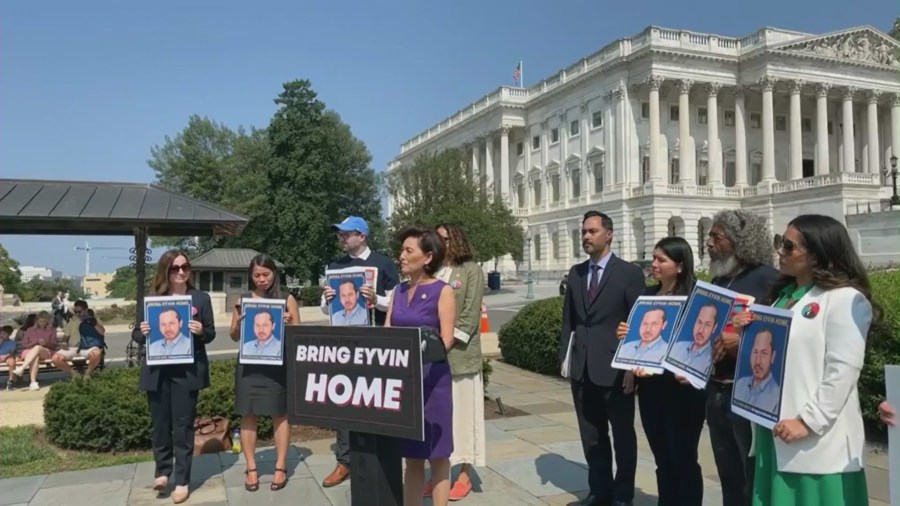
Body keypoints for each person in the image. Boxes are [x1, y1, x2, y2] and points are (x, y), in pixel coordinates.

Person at [732, 214, 874, 505]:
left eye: (788, 246)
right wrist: (746, 332)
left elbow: (842, 372)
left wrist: (807, 422)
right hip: (773, 432)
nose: (779, 252)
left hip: (813, 438)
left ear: (817, 255)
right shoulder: (781, 297)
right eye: (779, 243)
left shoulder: (845, 299)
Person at [559, 211, 645, 506]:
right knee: (592, 436)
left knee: (623, 437)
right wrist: (565, 360)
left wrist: (634, 367)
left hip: (616, 370)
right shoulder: (576, 273)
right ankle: (600, 490)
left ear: (609, 234)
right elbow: (568, 321)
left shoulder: (629, 273)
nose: (586, 236)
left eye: (592, 231)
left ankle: (623, 494)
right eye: (584, 231)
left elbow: (639, 323)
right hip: (582, 369)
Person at [615, 236, 706, 506]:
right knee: (662, 458)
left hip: (682, 391)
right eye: (653, 258)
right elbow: (639, 340)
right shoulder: (648, 296)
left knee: (684, 458)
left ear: (679, 266)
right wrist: (627, 337)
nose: (653, 264)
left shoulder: (694, 299)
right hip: (651, 390)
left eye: (660, 259)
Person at [704, 209, 779, 506]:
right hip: (716, 390)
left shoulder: (769, 280)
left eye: (716, 237)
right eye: (709, 236)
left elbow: (779, 336)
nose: (708, 243)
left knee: (752, 477)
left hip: (748, 394)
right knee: (728, 474)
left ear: (740, 241)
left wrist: (743, 343)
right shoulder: (720, 279)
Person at [319, 215, 399, 487]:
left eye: (346, 234)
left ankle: (379, 452)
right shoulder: (335, 266)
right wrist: (326, 299)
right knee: (342, 400)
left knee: (375, 397)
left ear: (361, 236)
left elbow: (397, 303)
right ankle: (344, 460)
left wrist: (376, 300)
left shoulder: (383, 263)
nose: (341, 238)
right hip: (343, 343)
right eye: (339, 234)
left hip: (375, 343)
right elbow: (324, 306)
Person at [132, 249, 216, 504]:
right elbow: (137, 334)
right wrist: (143, 331)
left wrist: (201, 330)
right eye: (175, 268)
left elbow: (211, 334)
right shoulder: (152, 299)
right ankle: (162, 471)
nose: (181, 272)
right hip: (157, 372)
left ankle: (182, 480)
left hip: (187, 373)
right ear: (165, 271)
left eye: (185, 267)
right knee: (160, 425)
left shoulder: (200, 298)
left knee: (182, 427)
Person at [387, 226, 456, 506]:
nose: (401, 256)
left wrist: (421, 350)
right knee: (412, 455)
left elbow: (447, 339)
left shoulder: (443, 291)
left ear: (428, 257)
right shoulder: (397, 291)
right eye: (401, 250)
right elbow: (388, 330)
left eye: (408, 250)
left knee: (438, 454)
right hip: (405, 383)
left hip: (433, 381)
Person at [231, 254, 300, 493]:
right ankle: (251, 468)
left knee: (280, 415)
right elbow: (233, 335)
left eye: (266, 274)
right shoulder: (243, 300)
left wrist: (289, 322)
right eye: (256, 275)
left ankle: (280, 466)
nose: (261, 279)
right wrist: (238, 322)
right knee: (248, 414)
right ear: (251, 276)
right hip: (249, 366)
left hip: (277, 365)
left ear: (274, 274)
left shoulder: (287, 298)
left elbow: (297, 335)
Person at [430, 223, 485, 501]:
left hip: (460, 358)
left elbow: (469, 317)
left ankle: (463, 474)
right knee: (437, 420)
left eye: (444, 238)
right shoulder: (433, 272)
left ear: (456, 239)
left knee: (463, 418)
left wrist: (444, 343)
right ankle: (438, 476)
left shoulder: (471, 270)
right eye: (436, 239)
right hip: (433, 360)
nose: (440, 243)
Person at [732, 328, 781, 415]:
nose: (758, 361)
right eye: (755, 352)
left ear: (772, 356)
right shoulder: (739, 384)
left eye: (764, 353)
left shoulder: (777, 397)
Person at [51, 303, 106, 379]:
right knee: (55, 358)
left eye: (79, 311)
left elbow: (102, 332)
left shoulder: (94, 320)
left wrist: (94, 323)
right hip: (73, 348)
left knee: (97, 353)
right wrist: (64, 343)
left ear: (86, 310)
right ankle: (75, 374)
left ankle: (87, 374)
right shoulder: (72, 322)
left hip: (88, 347)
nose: (77, 314)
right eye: (75, 311)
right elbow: (65, 337)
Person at [11, 311, 57, 391]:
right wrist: (35, 342)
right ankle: (33, 382)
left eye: (44, 322)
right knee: (35, 356)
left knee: (37, 348)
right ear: (37, 321)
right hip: (28, 351)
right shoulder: (30, 330)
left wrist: (45, 343)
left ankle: (22, 367)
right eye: (40, 321)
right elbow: (24, 344)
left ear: (48, 321)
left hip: (45, 351)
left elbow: (53, 345)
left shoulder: (52, 330)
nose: (42, 323)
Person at [667, 303, 718, 376]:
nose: (700, 330)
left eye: (707, 325)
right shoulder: (677, 346)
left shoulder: (712, 358)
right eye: (699, 322)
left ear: (714, 328)